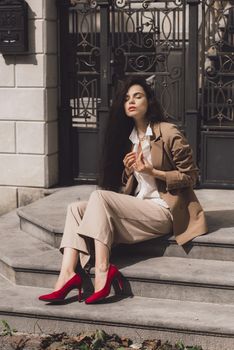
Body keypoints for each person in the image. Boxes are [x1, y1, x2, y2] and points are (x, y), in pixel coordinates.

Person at [38, 76, 208, 304]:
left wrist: (152, 172)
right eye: (127, 98)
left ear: (149, 100)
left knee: (99, 197)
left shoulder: (168, 132)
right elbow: (132, 188)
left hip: (165, 210)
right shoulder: (130, 140)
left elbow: (191, 177)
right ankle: (67, 275)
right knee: (75, 209)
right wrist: (130, 173)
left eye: (138, 96)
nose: (132, 101)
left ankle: (103, 269)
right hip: (141, 207)